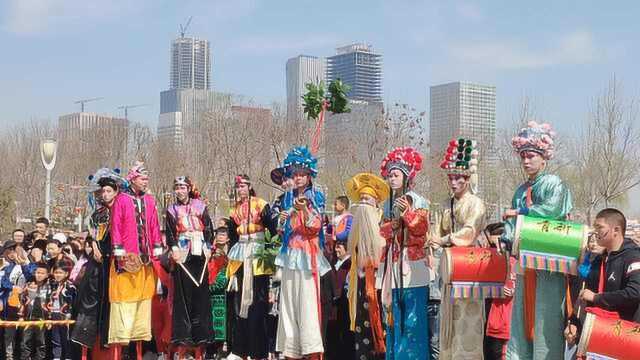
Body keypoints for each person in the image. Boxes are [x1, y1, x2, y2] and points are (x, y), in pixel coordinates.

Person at [501, 121, 573, 359]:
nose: (526, 161)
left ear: (544, 158)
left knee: (545, 319)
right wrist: (506, 236)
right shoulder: (520, 190)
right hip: (525, 264)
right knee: (522, 318)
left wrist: (522, 213)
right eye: (522, 156)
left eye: (531, 156)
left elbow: (552, 210)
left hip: (548, 263)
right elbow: (512, 226)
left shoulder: (553, 183)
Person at [430, 138, 486, 360]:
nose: (453, 182)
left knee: (467, 320)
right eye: (451, 178)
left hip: (470, 264)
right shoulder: (445, 204)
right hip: (450, 265)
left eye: (458, 178)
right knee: (448, 320)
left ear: (468, 179)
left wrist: (445, 239)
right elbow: (436, 229)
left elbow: (470, 232)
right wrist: (433, 240)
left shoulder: (476, 203)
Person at [274, 146, 331, 360]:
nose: (297, 177)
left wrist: (304, 209)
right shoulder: (287, 198)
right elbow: (281, 230)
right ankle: (290, 351)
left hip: (308, 257)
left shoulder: (315, 195)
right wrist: (283, 218)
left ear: (309, 176)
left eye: (301, 173)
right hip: (290, 256)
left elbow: (315, 226)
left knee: (307, 306)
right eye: (294, 173)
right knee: (288, 306)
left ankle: (311, 351)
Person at [379, 147, 430, 360]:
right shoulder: (387, 203)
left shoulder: (418, 201)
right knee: (393, 315)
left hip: (413, 263)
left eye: (396, 175)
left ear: (407, 177)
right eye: (390, 175)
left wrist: (407, 215)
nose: (392, 178)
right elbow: (383, 230)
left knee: (413, 317)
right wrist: (395, 225)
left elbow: (421, 229)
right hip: (393, 260)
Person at [108, 162, 163, 357]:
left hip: (146, 260)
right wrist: (119, 253)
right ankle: (122, 350)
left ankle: (139, 349)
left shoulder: (149, 200)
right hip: (127, 260)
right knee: (125, 302)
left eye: (147, 178)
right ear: (132, 179)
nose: (146, 181)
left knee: (143, 300)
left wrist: (157, 249)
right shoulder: (121, 199)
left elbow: (155, 226)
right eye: (142, 178)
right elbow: (116, 226)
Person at [564, 209, 640, 346]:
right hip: (599, 334)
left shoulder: (633, 257)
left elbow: (634, 293)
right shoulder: (599, 260)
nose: (595, 232)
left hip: (625, 337)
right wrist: (574, 322)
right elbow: (585, 297)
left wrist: (596, 297)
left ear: (615, 230)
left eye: (599, 227)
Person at [164, 176, 214, 358]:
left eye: (182, 187)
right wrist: (174, 249)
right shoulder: (171, 209)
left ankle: (202, 335)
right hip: (182, 252)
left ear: (188, 189)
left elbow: (209, 228)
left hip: (199, 251)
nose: (180, 190)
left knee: (200, 292)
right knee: (183, 295)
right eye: (177, 187)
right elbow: (170, 232)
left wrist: (209, 246)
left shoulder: (200, 206)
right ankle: (183, 336)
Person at [226, 175, 274, 360]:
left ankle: (259, 350)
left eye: (243, 185)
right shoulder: (234, 210)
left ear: (250, 186)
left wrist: (270, 253)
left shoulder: (261, 204)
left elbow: (271, 228)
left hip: (258, 254)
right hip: (240, 255)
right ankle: (239, 349)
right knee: (239, 303)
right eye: (238, 186)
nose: (240, 189)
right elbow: (232, 235)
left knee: (257, 301)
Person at [344, 172, 390, 360]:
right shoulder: (355, 224)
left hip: (379, 284)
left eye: (367, 199)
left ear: (376, 203)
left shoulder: (384, 225)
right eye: (361, 198)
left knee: (379, 324)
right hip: (360, 283)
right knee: (361, 327)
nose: (363, 203)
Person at [0, 240, 34, 360]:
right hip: (9, 305)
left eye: (15, 250)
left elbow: (31, 276)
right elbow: (2, 281)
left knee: (26, 335)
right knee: (9, 335)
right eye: (10, 250)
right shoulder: (5, 265)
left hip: (26, 304)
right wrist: (12, 287)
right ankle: (9, 357)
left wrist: (24, 264)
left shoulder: (29, 264)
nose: (13, 253)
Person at [18, 262, 51, 360]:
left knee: (41, 342)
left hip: (42, 319)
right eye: (37, 272)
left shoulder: (50, 287)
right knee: (25, 342)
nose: (39, 275)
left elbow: (51, 304)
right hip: (28, 318)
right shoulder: (28, 285)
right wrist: (20, 316)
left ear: (47, 275)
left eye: (42, 273)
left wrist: (49, 318)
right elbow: (22, 301)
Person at [49, 261, 77, 360]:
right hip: (54, 314)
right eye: (56, 272)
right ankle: (56, 357)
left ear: (66, 273)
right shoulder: (53, 285)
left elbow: (71, 302)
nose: (57, 275)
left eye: (60, 273)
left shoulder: (70, 286)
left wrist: (68, 315)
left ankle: (68, 358)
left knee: (66, 339)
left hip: (65, 316)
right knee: (55, 340)